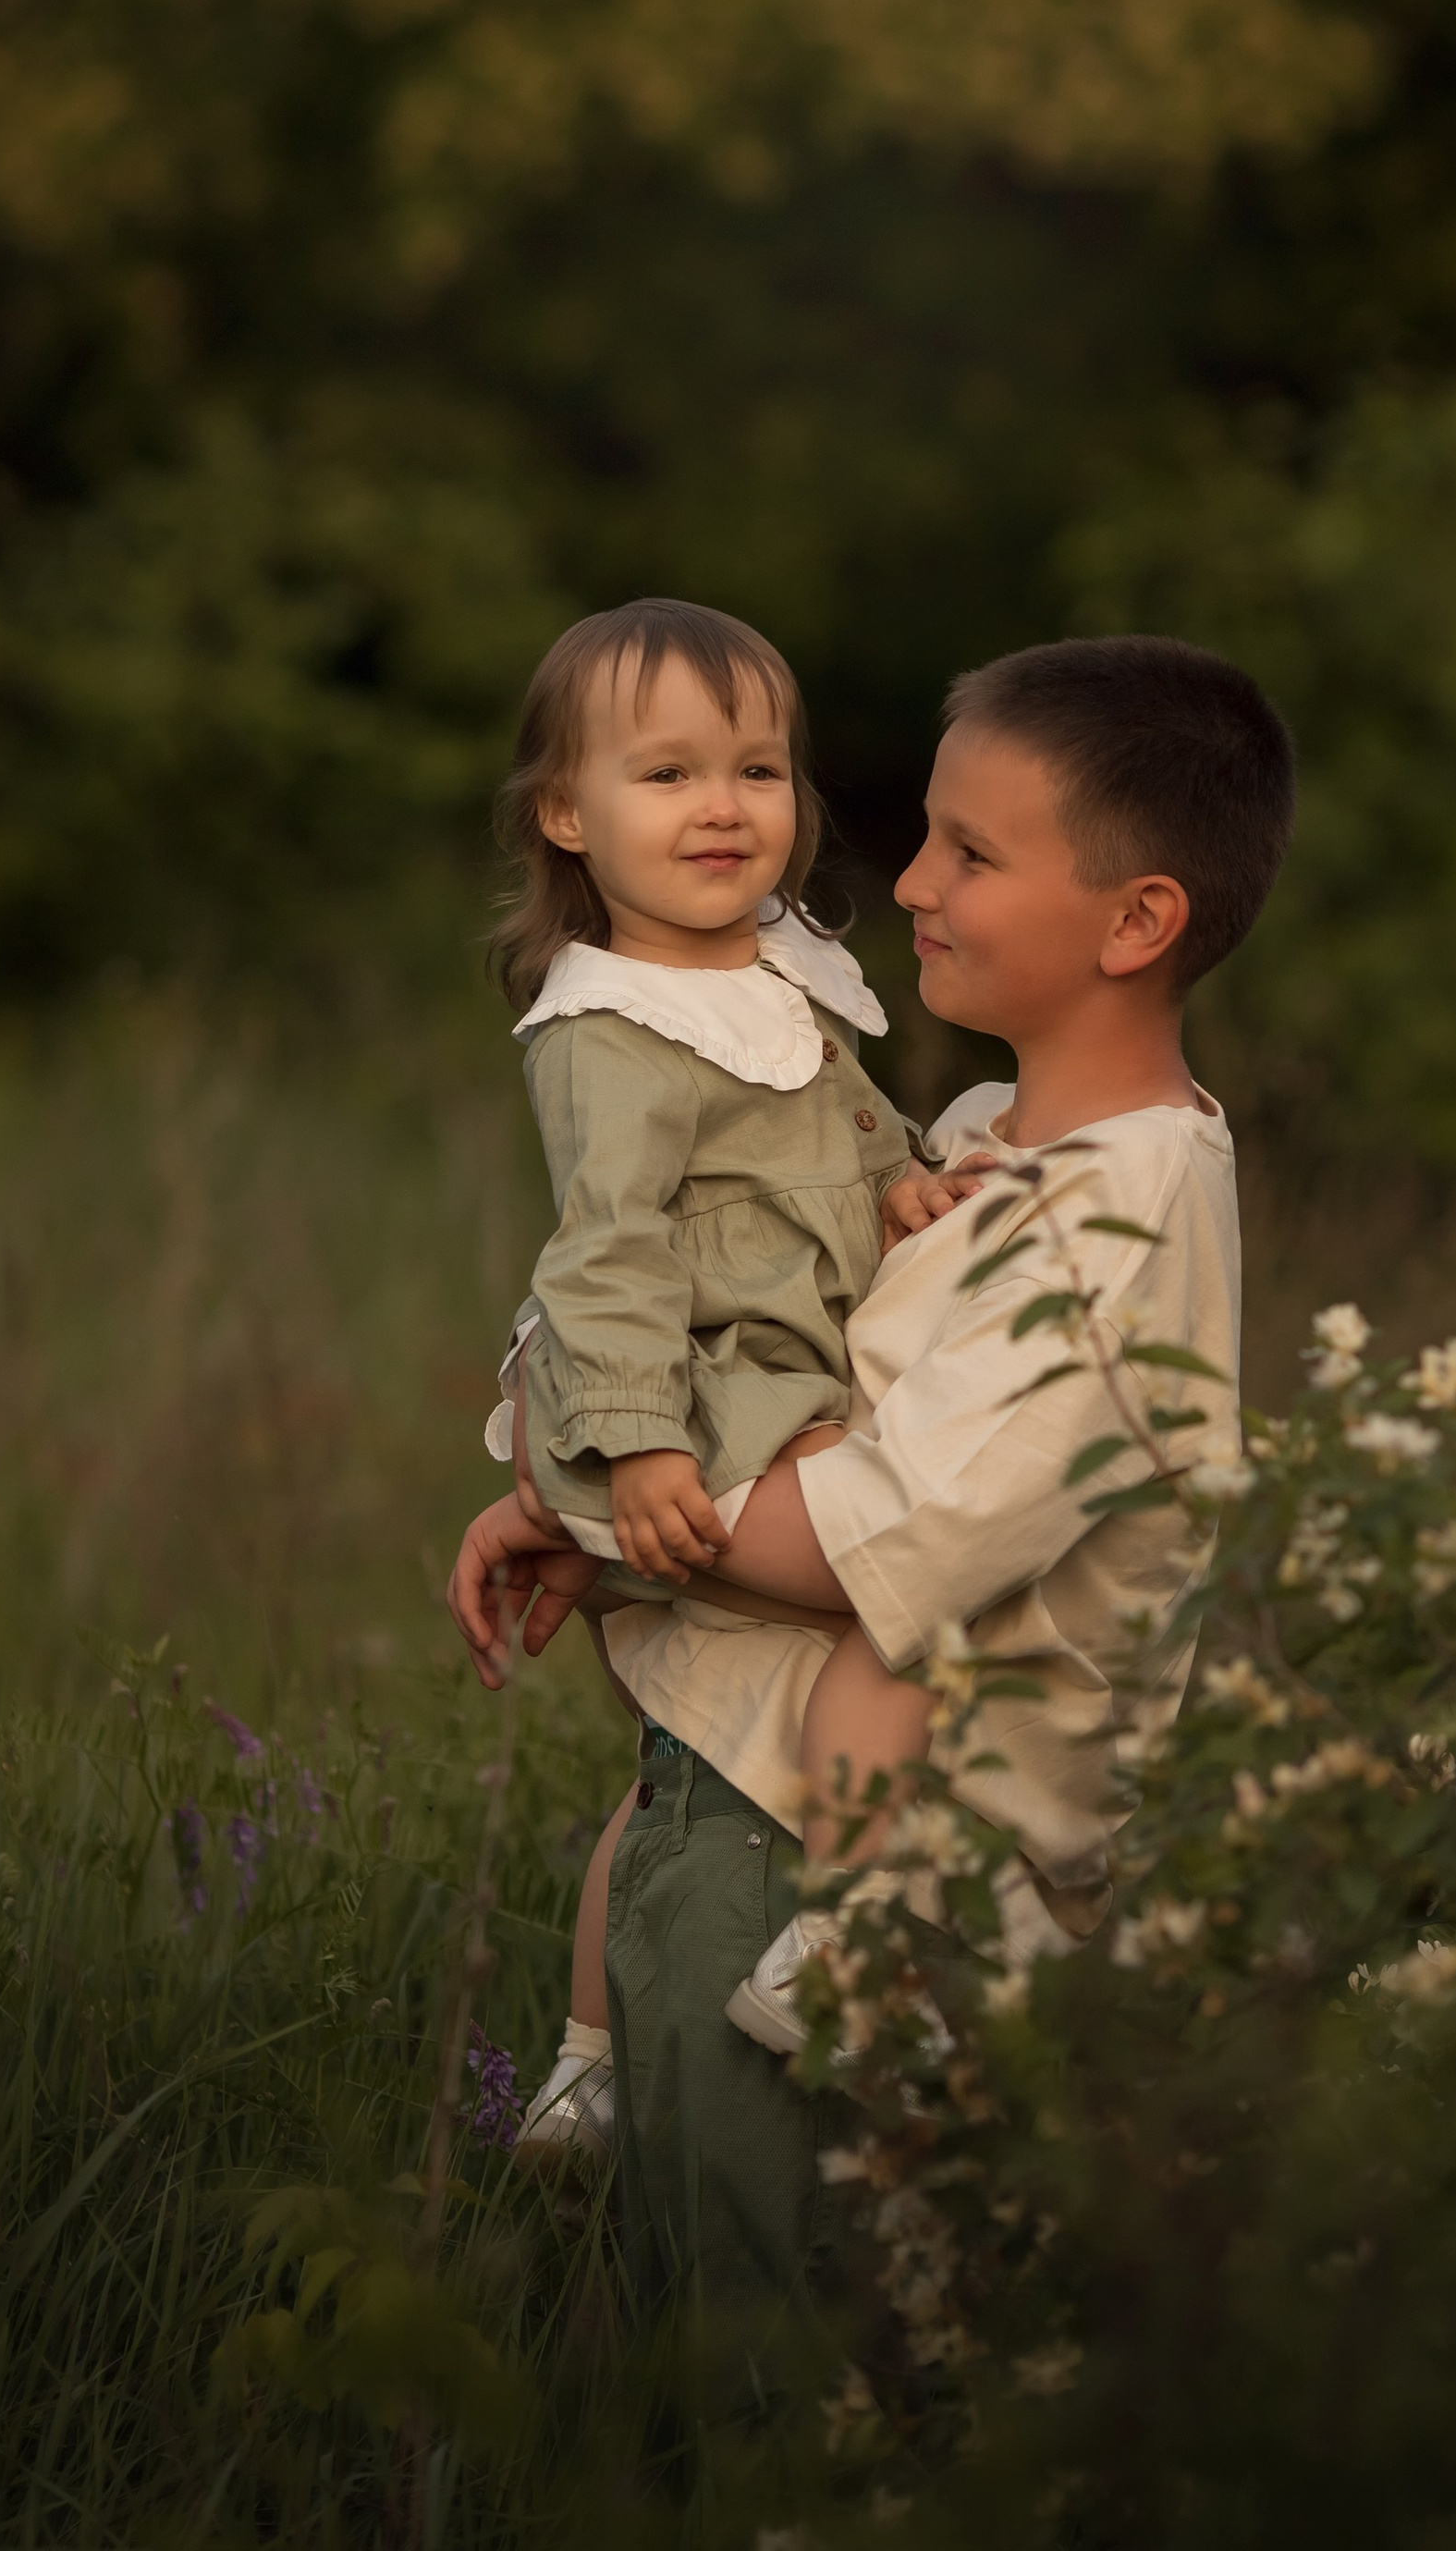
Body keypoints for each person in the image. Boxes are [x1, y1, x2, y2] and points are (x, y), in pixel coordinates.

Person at [451, 632, 1296, 2329]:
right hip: (748, 1793)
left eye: (969, 853)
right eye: (920, 831)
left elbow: (873, 1544)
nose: (903, 880)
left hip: (833, 1867)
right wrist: (588, 1495)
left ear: (1137, 922)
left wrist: (594, 1512)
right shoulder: (991, 1139)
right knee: (746, 2341)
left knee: (810, 2374)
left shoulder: (1112, 1220)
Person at [476, 595, 977, 2159]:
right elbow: (607, 1262)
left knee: (687, 1747)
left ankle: (588, 2063)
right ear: (569, 814)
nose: (723, 808)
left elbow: (839, 1123)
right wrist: (633, 1451)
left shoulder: (780, 962)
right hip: (707, 1397)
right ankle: (840, 1935)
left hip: (775, 1365)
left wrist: (899, 1176)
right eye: (668, 774)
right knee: (917, 1601)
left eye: (757, 772)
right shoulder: (609, 1029)